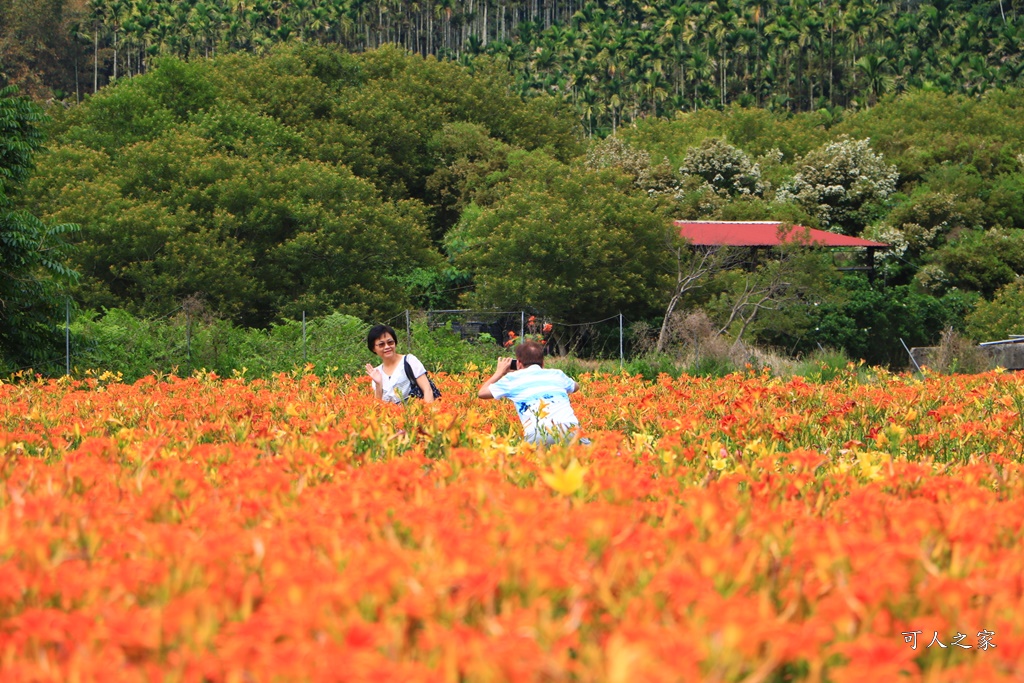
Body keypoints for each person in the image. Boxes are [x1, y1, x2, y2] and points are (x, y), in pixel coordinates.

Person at [477, 339, 586, 445]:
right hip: (572, 430)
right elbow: (576, 386)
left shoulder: (512, 378)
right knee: (587, 461)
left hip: (538, 433)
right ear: (542, 363)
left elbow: (482, 393)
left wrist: (499, 373)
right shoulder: (557, 374)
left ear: (519, 363)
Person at [365, 324, 435, 404]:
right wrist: (378, 384)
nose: (387, 347)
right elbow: (378, 405)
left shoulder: (409, 361)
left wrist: (428, 414)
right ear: (373, 348)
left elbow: (427, 390)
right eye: (381, 344)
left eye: (390, 342)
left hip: (414, 414)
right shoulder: (376, 372)